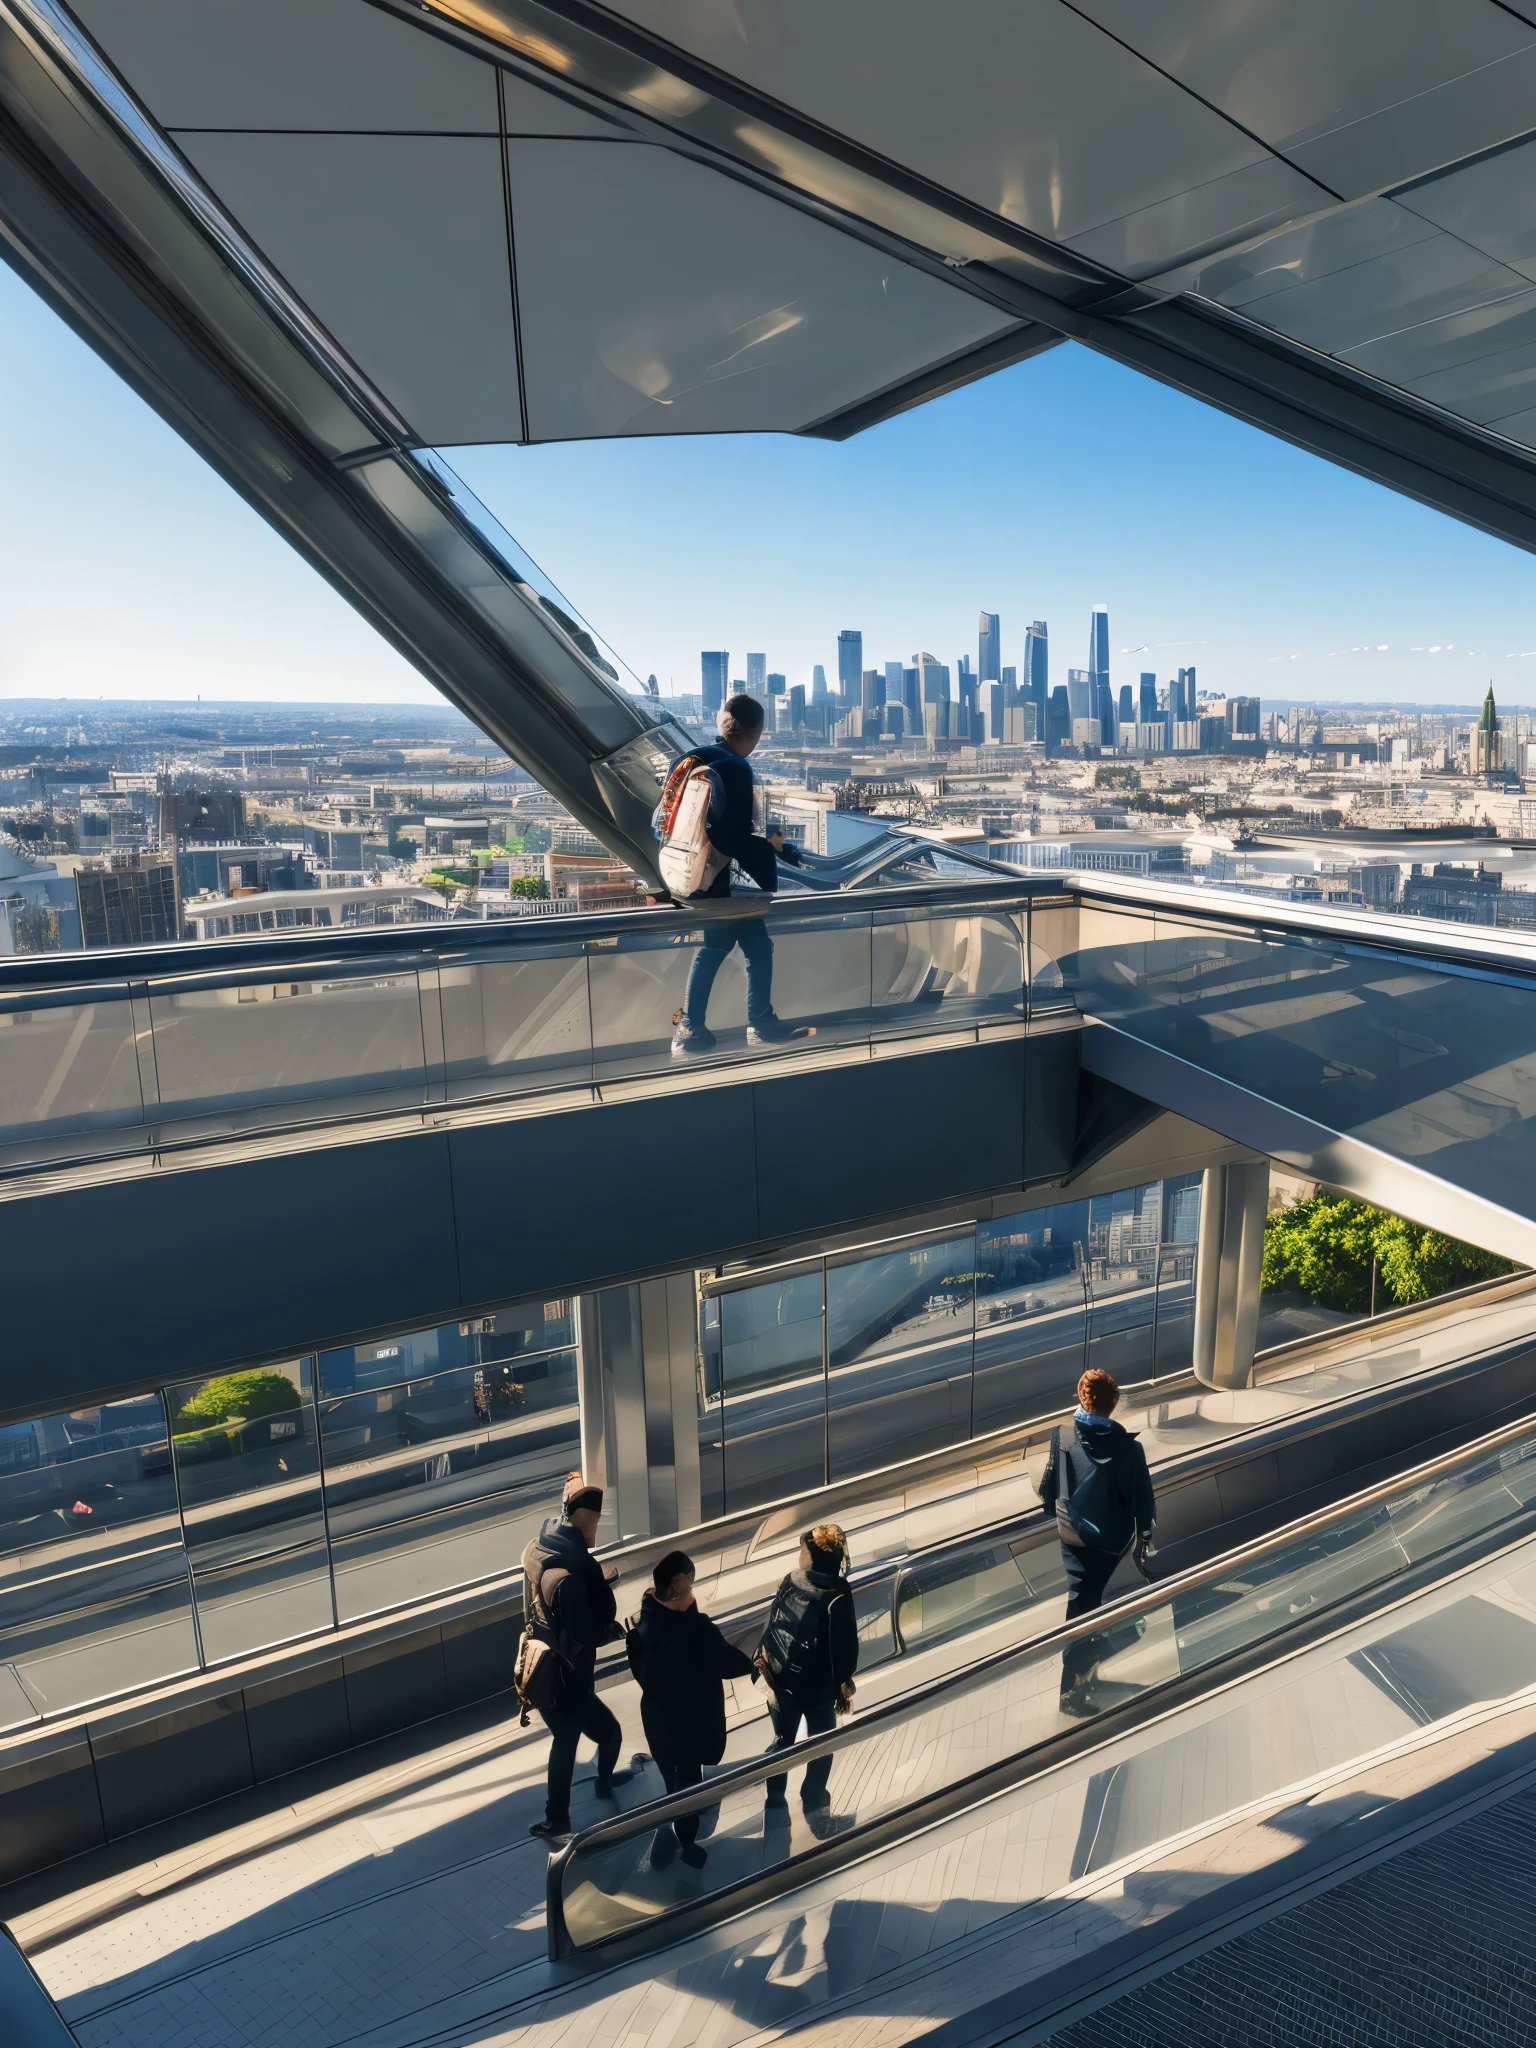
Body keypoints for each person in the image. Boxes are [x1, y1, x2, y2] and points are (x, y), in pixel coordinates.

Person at [670, 692, 802, 1057]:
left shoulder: (689, 760)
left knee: (736, 943)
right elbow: (733, 838)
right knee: (737, 944)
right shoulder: (736, 769)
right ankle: (743, 1025)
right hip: (717, 878)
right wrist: (770, 854)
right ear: (756, 732)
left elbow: (662, 820)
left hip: (685, 872)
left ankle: (697, 1027)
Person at [626, 1548, 756, 1869]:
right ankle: (685, 1843)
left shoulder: (640, 1631)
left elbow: (643, 1676)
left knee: (674, 1778)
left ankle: (674, 1833)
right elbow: (726, 1660)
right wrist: (754, 1665)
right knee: (688, 1780)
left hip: (658, 1721)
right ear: (673, 1586)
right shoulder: (695, 1630)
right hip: (691, 1722)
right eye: (689, 1585)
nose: (692, 1592)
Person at [522, 1472, 634, 1842]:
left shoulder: (542, 1547)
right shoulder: (570, 1578)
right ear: (586, 1520)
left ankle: (563, 1814)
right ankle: (561, 1818)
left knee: (573, 1739)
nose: (597, 1526)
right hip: (570, 1680)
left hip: (545, 1668)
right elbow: (585, 1631)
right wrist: (609, 1631)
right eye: (596, 1519)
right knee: (596, 1737)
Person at [1038, 1368, 1156, 1713]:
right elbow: (1142, 1501)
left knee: (1082, 1604)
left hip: (1071, 1535)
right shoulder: (1128, 1449)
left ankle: (1083, 1678)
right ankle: (1071, 1692)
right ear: (1114, 1403)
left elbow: (1052, 1484)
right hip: (1111, 1545)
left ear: (1081, 1398)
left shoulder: (1061, 1434)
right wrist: (1145, 1538)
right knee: (1100, 1611)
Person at [758, 1522, 859, 1826]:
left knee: (782, 1742)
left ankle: (774, 1805)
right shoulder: (838, 1592)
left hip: (777, 1681)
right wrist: (842, 1684)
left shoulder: (791, 1579)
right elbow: (845, 1650)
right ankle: (816, 1811)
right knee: (822, 1748)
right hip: (815, 1690)